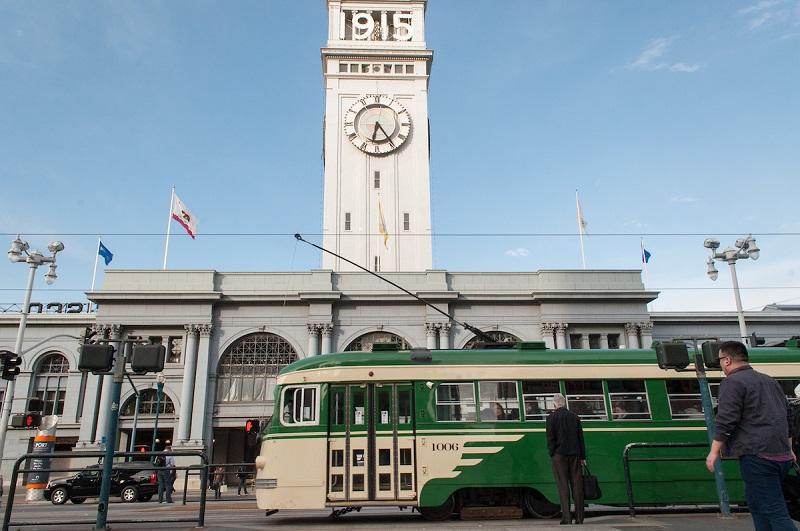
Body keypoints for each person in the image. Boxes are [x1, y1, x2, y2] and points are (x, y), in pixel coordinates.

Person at [705, 341, 796, 531]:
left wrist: (713, 452)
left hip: (757, 456)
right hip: (781, 455)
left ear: (728, 360)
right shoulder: (769, 380)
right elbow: (786, 416)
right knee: (757, 506)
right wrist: (789, 448)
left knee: (775, 511)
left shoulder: (732, 382)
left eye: (720, 360)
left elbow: (726, 419)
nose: (720, 364)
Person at [546, 393, 586, 525]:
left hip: (559, 455)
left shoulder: (551, 418)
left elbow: (550, 438)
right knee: (577, 485)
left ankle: (567, 518)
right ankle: (579, 518)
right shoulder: (574, 417)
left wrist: (552, 452)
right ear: (564, 403)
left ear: (554, 404)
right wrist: (582, 457)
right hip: (575, 455)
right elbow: (581, 438)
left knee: (563, 486)